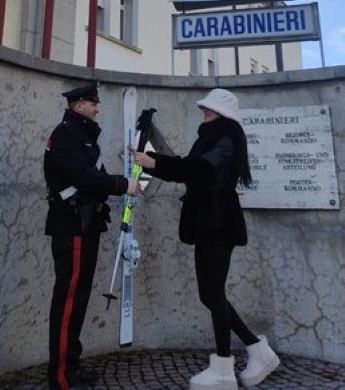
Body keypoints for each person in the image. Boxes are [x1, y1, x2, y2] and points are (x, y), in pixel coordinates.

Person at [132, 88, 280, 389]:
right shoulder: (212, 138)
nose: (204, 111)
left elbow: (198, 170)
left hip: (218, 224)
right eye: (204, 108)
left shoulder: (226, 140)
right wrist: (154, 160)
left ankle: (225, 369)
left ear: (224, 114)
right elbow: (189, 168)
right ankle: (256, 350)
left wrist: (154, 163)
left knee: (212, 294)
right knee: (210, 295)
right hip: (209, 223)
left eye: (210, 109)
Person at [44, 82, 140, 389]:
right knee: (69, 301)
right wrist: (122, 184)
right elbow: (84, 177)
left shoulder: (81, 136)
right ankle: (61, 378)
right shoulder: (66, 136)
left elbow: (91, 176)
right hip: (72, 227)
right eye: (93, 103)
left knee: (78, 300)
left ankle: (71, 368)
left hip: (86, 226)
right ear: (78, 106)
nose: (98, 108)